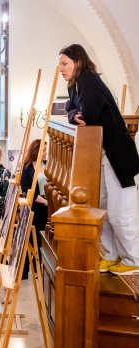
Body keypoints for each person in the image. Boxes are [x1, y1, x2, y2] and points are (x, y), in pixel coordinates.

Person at [59, 44, 139, 274]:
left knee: (121, 209)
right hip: (102, 153)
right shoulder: (75, 84)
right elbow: (71, 108)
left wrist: (77, 115)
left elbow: (90, 116)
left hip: (118, 155)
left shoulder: (89, 81)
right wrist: (73, 115)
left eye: (64, 63)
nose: (61, 69)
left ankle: (133, 259)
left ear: (77, 61)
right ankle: (112, 255)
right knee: (103, 206)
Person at [20, 139, 48, 279]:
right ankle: (24, 269)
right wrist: (44, 201)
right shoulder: (26, 168)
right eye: (43, 150)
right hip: (35, 207)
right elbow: (26, 190)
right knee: (30, 238)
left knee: (43, 239)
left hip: (47, 208)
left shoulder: (48, 165)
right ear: (36, 150)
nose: (45, 153)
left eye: (46, 150)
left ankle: (40, 268)